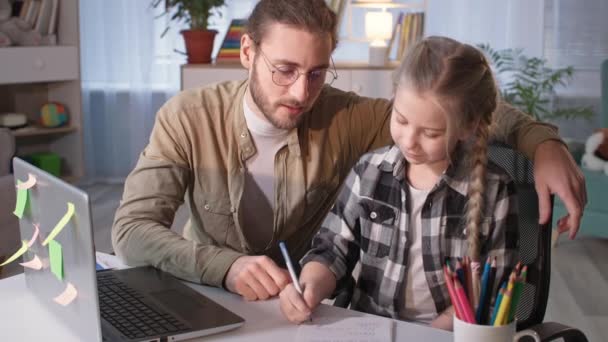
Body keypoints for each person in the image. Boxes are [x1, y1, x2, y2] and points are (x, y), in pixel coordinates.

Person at [112, 0, 585, 302]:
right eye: (285, 70)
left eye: (318, 72)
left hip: (299, 310)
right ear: (248, 53)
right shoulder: (188, 116)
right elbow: (131, 231)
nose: (302, 92)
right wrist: (227, 266)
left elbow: (456, 109)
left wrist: (540, 142)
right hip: (207, 295)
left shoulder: (348, 116)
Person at [278, 36, 517, 330]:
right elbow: (331, 250)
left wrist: (427, 335)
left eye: (430, 133)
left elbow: (493, 292)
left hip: (445, 334)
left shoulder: (496, 190)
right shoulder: (369, 171)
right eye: (401, 120)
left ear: (467, 127)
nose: (409, 141)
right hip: (370, 329)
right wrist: (311, 285)